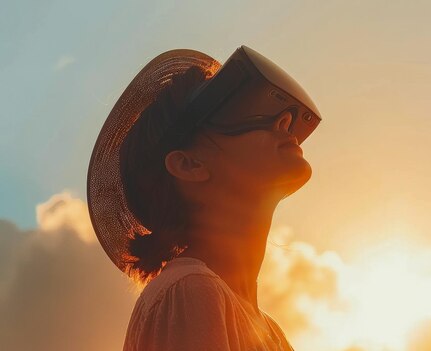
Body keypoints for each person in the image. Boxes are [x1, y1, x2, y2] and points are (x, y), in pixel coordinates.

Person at [86, 48, 319, 350]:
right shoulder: (190, 290)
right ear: (189, 165)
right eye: (244, 110)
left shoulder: (271, 332)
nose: (284, 123)